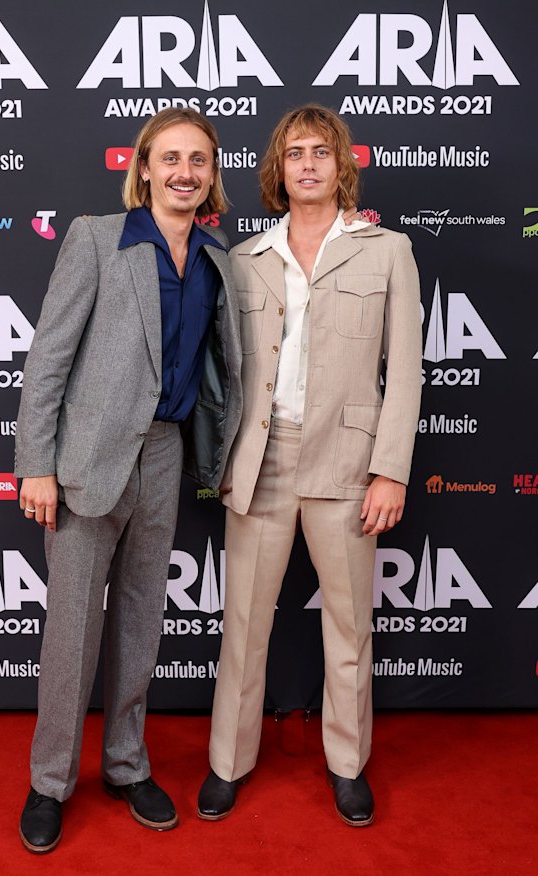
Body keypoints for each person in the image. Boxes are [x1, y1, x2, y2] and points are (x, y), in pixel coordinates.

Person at [15, 107, 242, 853]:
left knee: (142, 626)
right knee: (72, 638)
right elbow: (48, 359)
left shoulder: (216, 255)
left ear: (211, 171)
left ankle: (125, 764)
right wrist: (37, 465)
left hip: (166, 454)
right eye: (169, 158)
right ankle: (50, 782)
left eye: (198, 160)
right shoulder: (94, 239)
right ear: (142, 167)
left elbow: (219, 368)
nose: (184, 172)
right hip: (84, 462)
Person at [197, 104, 422, 827]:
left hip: (349, 463)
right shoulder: (246, 258)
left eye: (321, 152)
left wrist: (391, 470)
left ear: (342, 164)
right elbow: (226, 374)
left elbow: (408, 371)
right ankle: (227, 763)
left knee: (352, 625)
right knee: (243, 625)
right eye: (295, 152)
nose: (308, 164)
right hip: (261, 461)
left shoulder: (388, 251)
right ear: (278, 169)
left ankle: (348, 765)